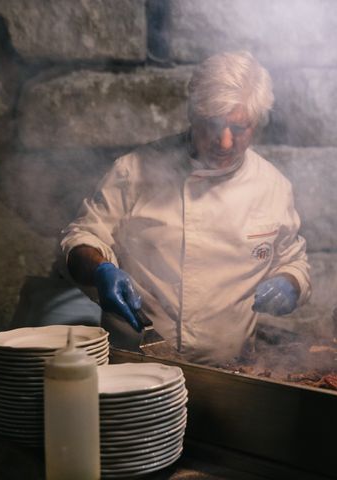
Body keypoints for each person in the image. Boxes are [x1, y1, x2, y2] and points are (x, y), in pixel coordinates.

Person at [60, 50, 311, 364]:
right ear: (193, 114)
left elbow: (293, 262)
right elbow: (82, 237)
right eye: (213, 125)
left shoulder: (273, 186)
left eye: (239, 128)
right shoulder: (133, 170)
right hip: (134, 365)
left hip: (229, 376)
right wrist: (100, 270)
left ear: (257, 124)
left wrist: (290, 283)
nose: (225, 143)